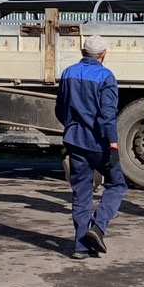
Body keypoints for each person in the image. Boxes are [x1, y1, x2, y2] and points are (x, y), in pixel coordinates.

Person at [54, 34, 125, 258]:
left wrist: (71, 126)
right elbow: (107, 115)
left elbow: (60, 108)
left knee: (81, 193)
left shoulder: (68, 73)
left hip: (75, 140)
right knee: (116, 185)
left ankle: (80, 247)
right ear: (103, 55)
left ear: (82, 52)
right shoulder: (106, 77)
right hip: (99, 143)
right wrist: (113, 143)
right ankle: (98, 226)